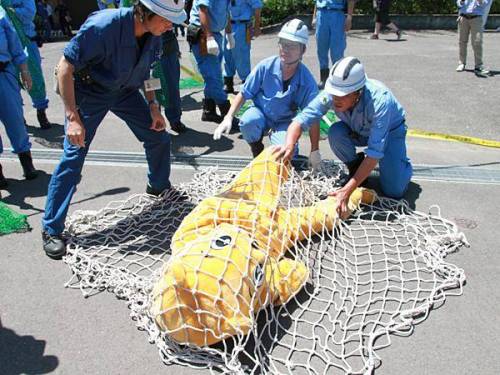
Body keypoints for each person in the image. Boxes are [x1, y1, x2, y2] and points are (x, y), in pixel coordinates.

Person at [41, 0, 187, 259]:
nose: (170, 26)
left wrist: (153, 106)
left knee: (158, 136)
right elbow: (65, 67)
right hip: (89, 92)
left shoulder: (155, 34)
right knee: (74, 156)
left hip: (125, 91)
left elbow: (149, 72)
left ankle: (158, 186)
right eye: (166, 19)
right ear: (146, 12)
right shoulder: (103, 25)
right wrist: (72, 116)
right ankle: (51, 229)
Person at [277, 57, 413, 215]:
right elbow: (300, 121)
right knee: (336, 132)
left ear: (358, 92)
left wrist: (345, 192)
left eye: (342, 95)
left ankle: (402, 164)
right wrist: (289, 145)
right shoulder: (333, 93)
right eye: (334, 94)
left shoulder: (380, 101)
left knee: (394, 190)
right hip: (358, 130)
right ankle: (356, 166)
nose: (336, 99)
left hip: (390, 133)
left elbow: (375, 152)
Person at [213, 19, 321, 167]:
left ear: (303, 50)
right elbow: (244, 93)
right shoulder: (265, 66)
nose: (285, 49)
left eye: (292, 46)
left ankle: (282, 145)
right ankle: (257, 150)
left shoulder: (306, 80)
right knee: (247, 122)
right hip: (261, 114)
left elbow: (313, 115)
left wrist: (315, 150)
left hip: (285, 122)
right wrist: (228, 117)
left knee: (287, 153)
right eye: (283, 43)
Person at [0, 7, 38, 189]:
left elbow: (14, 44)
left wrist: (24, 70)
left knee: (15, 119)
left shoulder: (0, 16)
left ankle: (26, 160)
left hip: (3, 73)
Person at [3, 0, 52, 128]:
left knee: (35, 78)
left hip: (27, 42)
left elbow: (29, 13)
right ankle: (19, 117)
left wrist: (11, 10)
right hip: (7, 47)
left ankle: (41, 112)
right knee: (11, 82)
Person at [187, 0, 233, 123]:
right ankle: (228, 114)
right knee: (213, 77)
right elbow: (203, 10)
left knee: (214, 75)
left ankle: (209, 111)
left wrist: (229, 34)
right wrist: (209, 37)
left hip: (215, 34)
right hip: (203, 34)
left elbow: (226, 12)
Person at [222, 0, 262, 94]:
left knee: (241, 56)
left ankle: (247, 83)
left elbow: (257, 7)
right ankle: (228, 83)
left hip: (241, 25)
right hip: (227, 25)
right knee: (227, 55)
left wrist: (257, 26)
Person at [313, 0, 355, 89]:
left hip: (337, 14)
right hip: (321, 13)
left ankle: (337, 79)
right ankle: (324, 79)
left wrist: (349, 17)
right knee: (321, 49)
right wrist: (314, 17)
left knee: (337, 51)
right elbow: (317, 1)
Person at [159, 29, 188, 133]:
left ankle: (175, 120)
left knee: (172, 88)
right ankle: (154, 121)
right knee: (151, 89)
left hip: (168, 48)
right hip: (147, 47)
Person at [456, 0, 491, 76]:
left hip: (476, 18)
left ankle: (478, 66)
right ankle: (461, 63)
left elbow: (485, 4)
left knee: (477, 42)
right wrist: (461, 1)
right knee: (462, 42)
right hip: (463, 17)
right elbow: (458, 3)